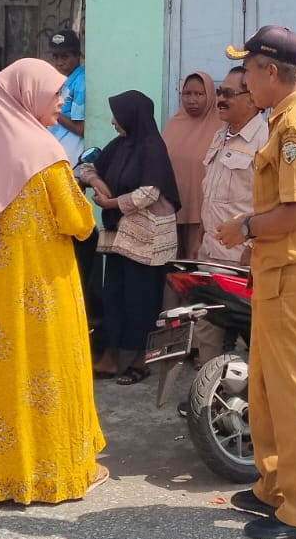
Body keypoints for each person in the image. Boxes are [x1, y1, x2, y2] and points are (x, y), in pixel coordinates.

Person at [0, 58, 107, 506]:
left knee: (3, 380)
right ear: (27, 96)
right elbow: (79, 222)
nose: (60, 102)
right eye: (55, 94)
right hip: (45, 291)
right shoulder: (47, 156)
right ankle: (57, 473)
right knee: (50, 373)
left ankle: (1, 478)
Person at [216, 26, 296, 539]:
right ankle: (274, 488)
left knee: (292, 392)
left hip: (295, 271)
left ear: (270, 72)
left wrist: (244, 226)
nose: (243, 81)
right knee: (266, 385)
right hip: (279, 269)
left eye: (247, 71)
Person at [81, 91, 181, 385]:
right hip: (118, 240)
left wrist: (111, 204)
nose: (113, 121)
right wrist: (97, 181)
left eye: (118, 115)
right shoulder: (119, 145)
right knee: (113, 295)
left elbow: (150, 192)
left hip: (147, 241)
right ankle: (112, 355)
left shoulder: (153, 148)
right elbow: (86, 167)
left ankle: (141, 358)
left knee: (141, 299)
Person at [192, 65, 269, 363]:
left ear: (252, 99)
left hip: (240, 259)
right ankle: (211, 394)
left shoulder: (266, 139)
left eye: (229, 93)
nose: (220, 99)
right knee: (207, 328)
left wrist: (252, 248)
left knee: (247, 334)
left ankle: (250, 400)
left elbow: (270, 203)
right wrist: (199, 239)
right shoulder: (220, 135)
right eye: (220, 92)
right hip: (211, 253)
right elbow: (210, 194)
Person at [161, 70, 221, 258]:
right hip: (171, 210)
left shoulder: (221, 127)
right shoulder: (173, 124)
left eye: (199, 94)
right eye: (187, 94)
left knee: (196, 263)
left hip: (203, 213)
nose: (192, 99)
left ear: (210, 95)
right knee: (171, 267)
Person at [46, 28, 85, 165]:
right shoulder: (62, 80)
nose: (59, 62)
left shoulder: (80, 82)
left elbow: (81, 129)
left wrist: (51, 110)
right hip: (56, 152)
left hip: (70, 157)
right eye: (55, 57)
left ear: (77, 56)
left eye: (65, 57)